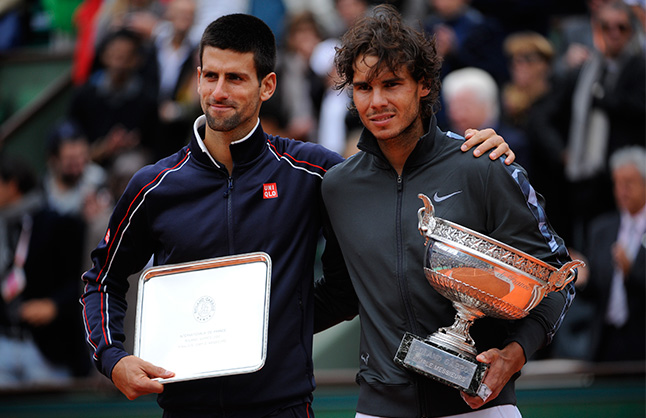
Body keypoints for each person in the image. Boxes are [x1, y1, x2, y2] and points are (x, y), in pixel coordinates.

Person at [80, 12, 513, 417]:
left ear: (267, 86)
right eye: (210, 76)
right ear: (196, 78)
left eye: (235, 78)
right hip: (183, 406)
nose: (219, 92)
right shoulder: (154, 186)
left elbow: (390, 187)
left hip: (284, 406)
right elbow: (102, 280)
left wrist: (474, 151)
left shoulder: (314, 172)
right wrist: (111, 357)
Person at [314, 5, 577, 418]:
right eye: (364, 87)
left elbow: (557, 276)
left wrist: (516, 352)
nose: (377, 101)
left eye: (392, 84)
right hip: (379, 408)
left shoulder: (482, 165)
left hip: (480, 406)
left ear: (423, 84)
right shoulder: (339, 187)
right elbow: (340, 295)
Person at [0, 156, 91, 387]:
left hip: (46, 348)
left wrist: (54, 305)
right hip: (5, 342)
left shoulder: (55, 223)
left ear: (12, 185)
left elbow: (81, 279)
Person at [571, 146, 645, 362]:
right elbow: (595, 291)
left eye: (629, 183)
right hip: (606, 340)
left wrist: (632, 271)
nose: (622, 190)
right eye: (617, 183)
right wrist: (581, 276)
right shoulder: (602, 229)